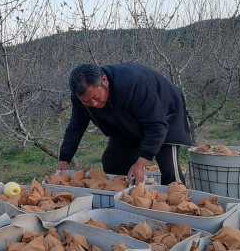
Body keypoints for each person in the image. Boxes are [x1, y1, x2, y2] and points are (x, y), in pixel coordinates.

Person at [58, 63, 193, 185]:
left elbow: (156, 125)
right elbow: (76, 127)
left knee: (169, 170)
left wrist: (141, 162)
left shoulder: (133, 83)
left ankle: (180, 204)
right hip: (125, 122)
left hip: (165, 115)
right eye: (87, 102)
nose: (93, 104)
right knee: (113, 163)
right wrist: (65, 158)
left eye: (95, 98)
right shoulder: (80, 97)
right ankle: (128, 197)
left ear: (104, 81)